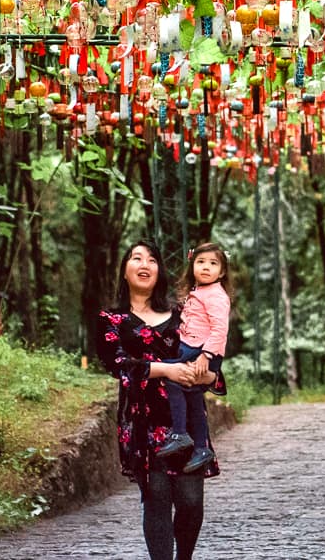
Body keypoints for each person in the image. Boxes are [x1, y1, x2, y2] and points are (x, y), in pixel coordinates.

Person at [96, 240, 219, 560]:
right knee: (158, 498)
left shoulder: (183, 312)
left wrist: (208, 376)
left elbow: (211, 355)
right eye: (136, 258)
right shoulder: (112, 319)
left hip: (186, 420)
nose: (144, 264)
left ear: (160, 271)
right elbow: (117, 365)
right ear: (124, 271)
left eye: (152, 259)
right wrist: (169, 370)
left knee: (191, 501)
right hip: (142, 419)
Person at [153, 242, 231, 474]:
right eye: (201, 262)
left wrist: (206, 355)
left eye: (213, 263)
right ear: (192, 265)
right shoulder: (199, 292)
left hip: (201, 350)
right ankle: (201, 448)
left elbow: (220, 329)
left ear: (222, 272)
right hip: (194, 346)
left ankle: (179, 433)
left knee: (169, 372)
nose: (206, 267)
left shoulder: (217, 295)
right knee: (194, 400)